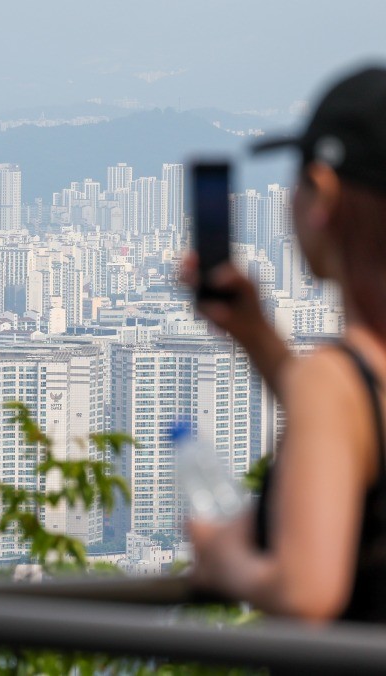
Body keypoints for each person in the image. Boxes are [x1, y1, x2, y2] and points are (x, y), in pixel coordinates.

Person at [185, 65, 386, 622]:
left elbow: (305, 590)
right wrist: (259, 341)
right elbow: (359, 430)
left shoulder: (335, 381)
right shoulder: (347, 388)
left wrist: (223, 560)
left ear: (322, 192)